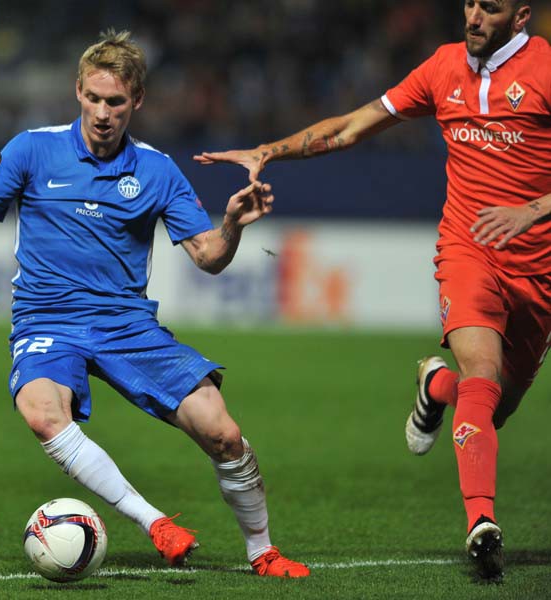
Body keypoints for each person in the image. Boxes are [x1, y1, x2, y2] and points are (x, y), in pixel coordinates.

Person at [0, 29, 309, 578]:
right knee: (42, 414)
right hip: (47, 320)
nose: (103, 113)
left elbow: (208, 257)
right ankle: (154, 522)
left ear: (138, 101)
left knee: (223, 433)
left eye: (115, 102)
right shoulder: (33, 149)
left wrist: (231, 224)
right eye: (93, 98)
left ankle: (263, 552)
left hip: (126, 325)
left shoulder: (157, 170)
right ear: (77, 91)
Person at [195, 0, 550, 581]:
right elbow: (351, 127)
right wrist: (269, 151)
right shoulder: (442, 67)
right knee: (483, 377)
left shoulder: (545, 70)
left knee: (493, 408)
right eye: (468, 3)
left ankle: (436, 385)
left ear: (520, 16)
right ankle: (482, 524)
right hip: (468, 252)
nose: (473, 16)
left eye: (489, 7)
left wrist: (531, 211)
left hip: (539, 269)